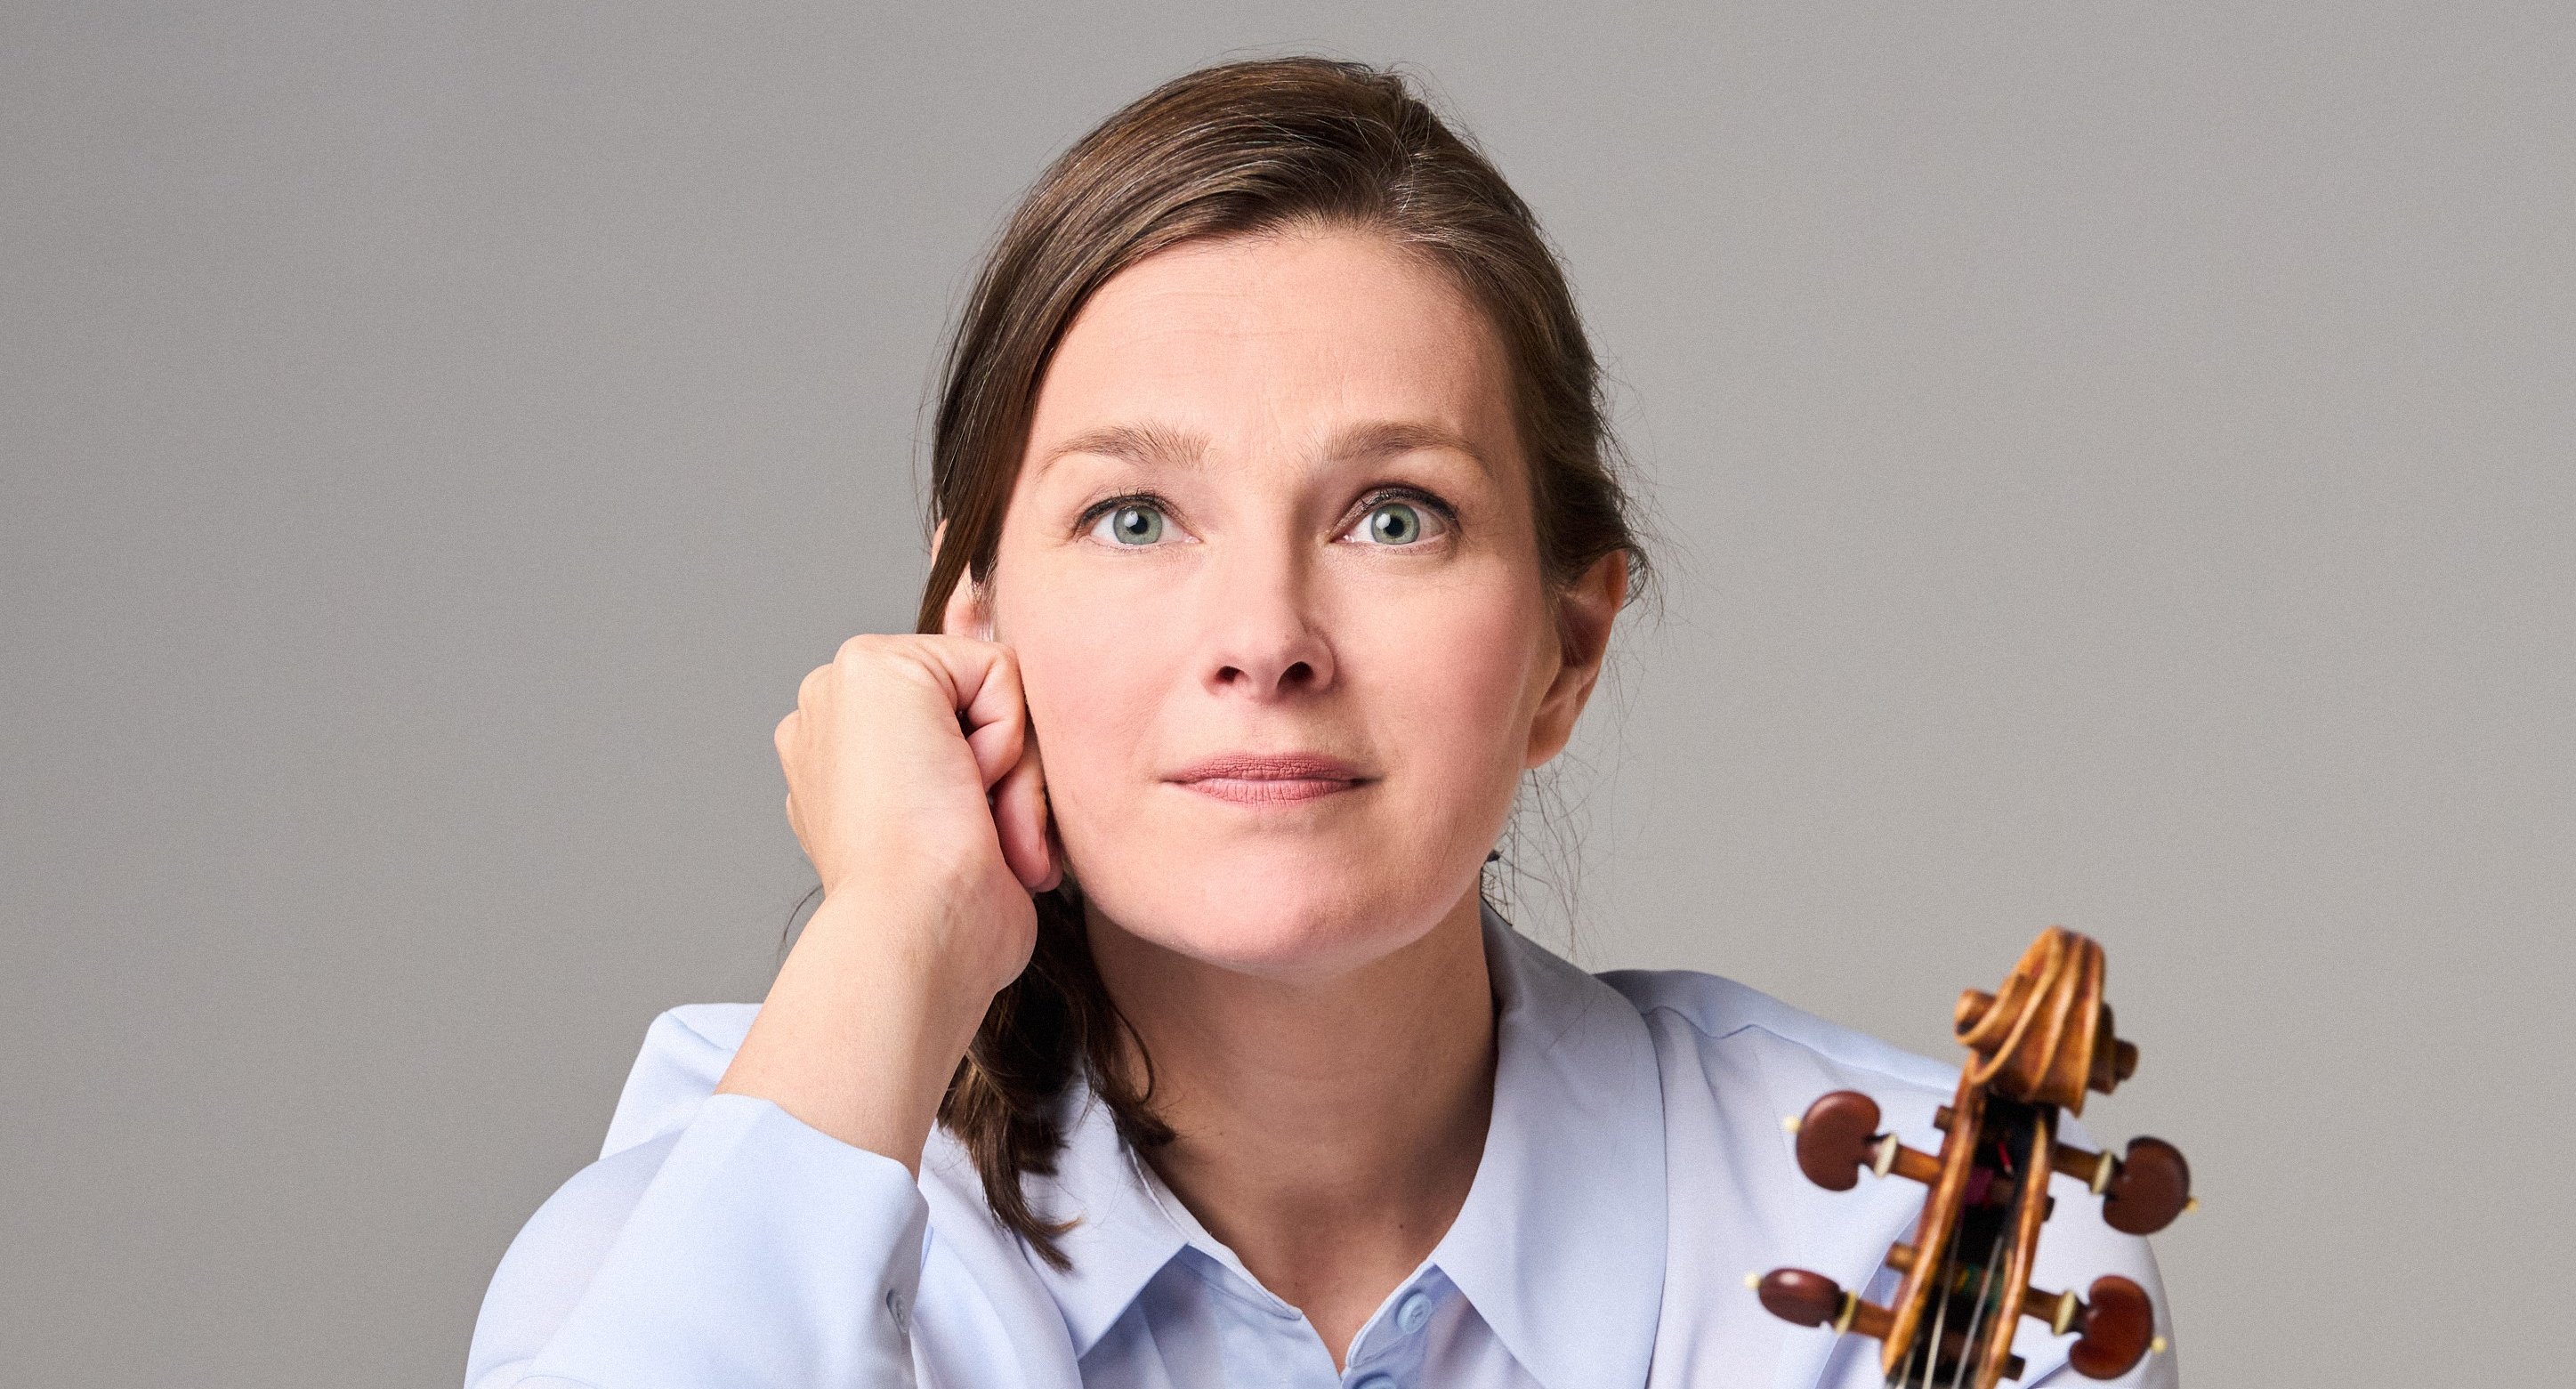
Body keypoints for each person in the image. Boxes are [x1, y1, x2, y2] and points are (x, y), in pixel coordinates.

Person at [465, 57, 2173, 1389]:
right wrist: (895, 930)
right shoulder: (754, 1187)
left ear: (1568, 651)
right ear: (970, 628)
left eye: (1393, 515)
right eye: (1134, 515)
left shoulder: (1902, 1235)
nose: (1267, 639)